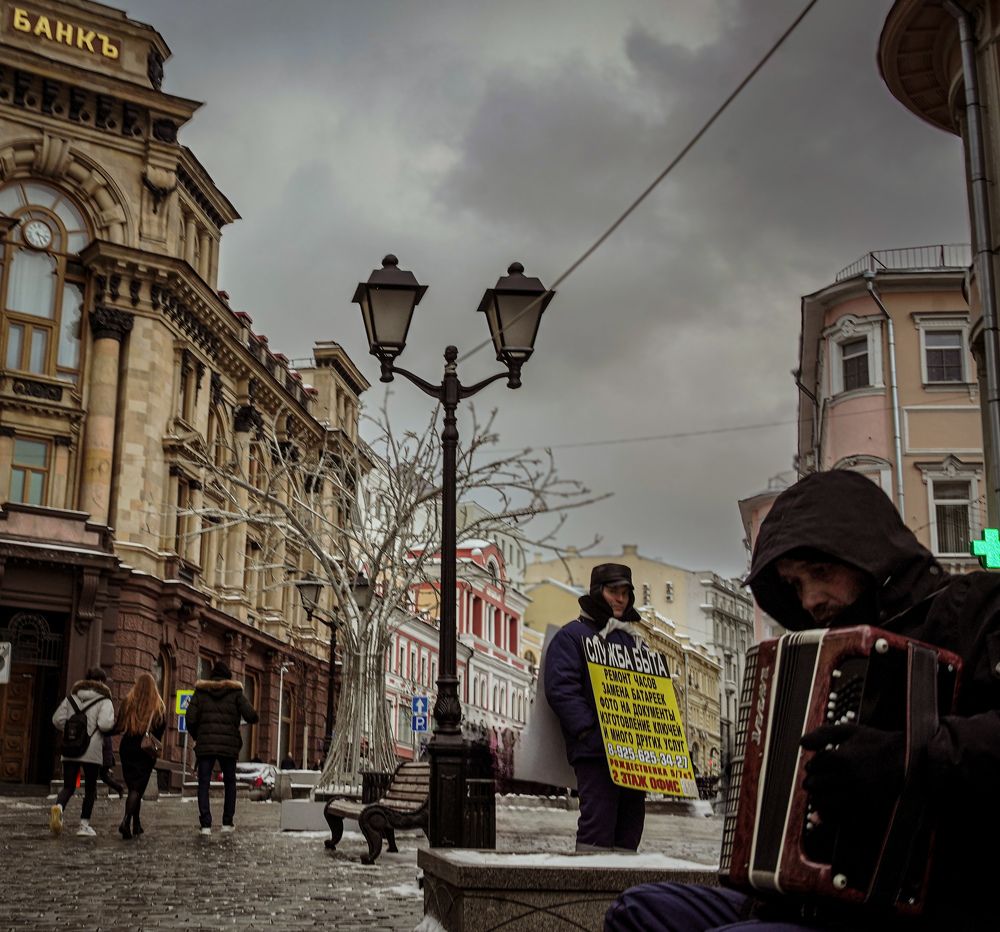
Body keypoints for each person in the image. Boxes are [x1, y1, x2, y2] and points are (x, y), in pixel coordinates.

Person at [605, 470, 1000, 931]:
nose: (810, 599)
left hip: (923, 908)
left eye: (821, 572)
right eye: (794, 585)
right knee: (638, 910)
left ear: (868, 552)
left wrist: (905, 757)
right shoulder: (819, 654)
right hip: (802, 900)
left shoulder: (973, 609)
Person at [544, 563, 646, 852]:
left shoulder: (635, 643)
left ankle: (622, 880)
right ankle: (590, 879)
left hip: (632, 752)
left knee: (630, 827)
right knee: (598, 825)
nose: (620, 599)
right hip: (595, 753)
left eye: (625, 593)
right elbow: (562, 689)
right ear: (597, 592)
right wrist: (589, 732)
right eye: (613, 591)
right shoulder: (572, 636)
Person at [185, 660, 258, 835]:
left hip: (206, 745)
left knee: (203, 783)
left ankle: (205, 824)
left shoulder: (200, 692)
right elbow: (252, 716)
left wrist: (198, 736)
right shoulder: (235, 693)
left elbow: (190, 718)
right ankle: (227, 822)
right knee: (230, 783)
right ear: (228, 677)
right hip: (228, 746)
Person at [50, 666, 116, 837]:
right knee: (90, 789)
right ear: (101, 681)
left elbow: (57, 720)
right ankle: (84, 825)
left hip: (70, 748)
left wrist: (70, 731)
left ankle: (59, 807)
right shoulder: (105, 700)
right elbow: (105, 724)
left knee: (69, 786)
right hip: (91, 751)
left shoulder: (71, 697)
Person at [115, 672, 166, 840]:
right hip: (145, 751)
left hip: (127, 747)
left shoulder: (128, 702)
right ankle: (126, 821)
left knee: (133, 788)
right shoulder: (158, 707)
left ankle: (136, 824)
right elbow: (160, 730)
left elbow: (119, 726)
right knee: (137, 789)